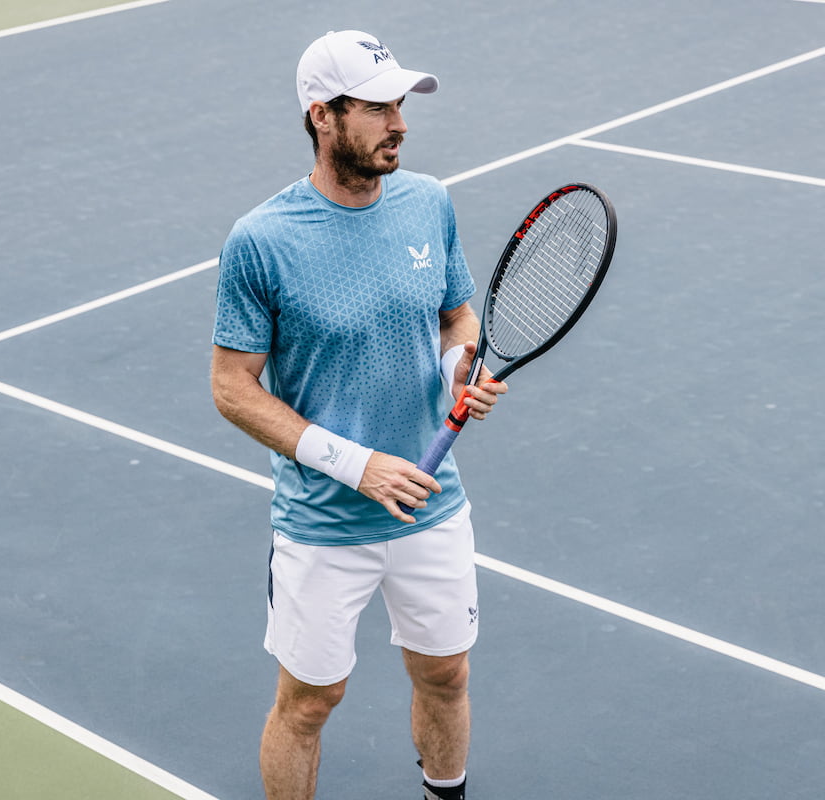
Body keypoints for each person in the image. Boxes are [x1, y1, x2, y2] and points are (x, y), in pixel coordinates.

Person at [210, 29, 507, 800]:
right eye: (377, 108)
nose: (399, 124)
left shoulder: (428, 202)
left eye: (400, 105)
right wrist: (356, 466)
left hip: (431, 501)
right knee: (310, 703)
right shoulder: (262, 241)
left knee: (446, 673)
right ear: (322, 115)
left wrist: (459, 367)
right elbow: (233, 387)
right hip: (323, 521)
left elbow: (455, 317)